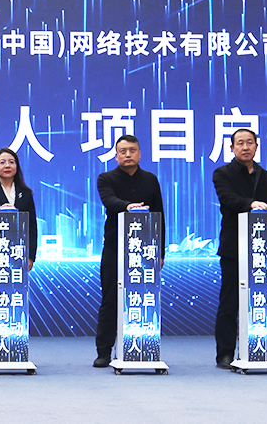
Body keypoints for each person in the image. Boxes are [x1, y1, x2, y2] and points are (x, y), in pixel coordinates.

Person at [93, 135, 164, 368]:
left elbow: (159, 214)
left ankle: (142, 346)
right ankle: (104, 351)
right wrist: (127, 206)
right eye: (122, 151)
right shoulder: (106, 178)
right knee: (110, 298)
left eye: (132, 150)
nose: (128, 154)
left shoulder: (150, 180)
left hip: (146, 250)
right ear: (116, 156)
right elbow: (109, 201)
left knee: (144, 297)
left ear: (140, 153)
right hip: (115, 247)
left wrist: (161, 251)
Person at [211, 129, 267, 370]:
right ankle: (225, 353)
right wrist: (251, 204)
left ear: (257, 146)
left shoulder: (266, 176)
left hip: (262, 249)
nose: (245, 147)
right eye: (240, 143)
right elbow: (228, 199)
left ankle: (261, 348)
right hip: (233, 245)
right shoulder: (222, 173)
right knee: (229, 302)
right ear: (232, 148)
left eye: (250, 142)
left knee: (261, 299)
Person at [0, 148, 38, 283]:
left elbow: (32, 225)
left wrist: (30, 256)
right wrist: (1, 209)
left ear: (17, 167)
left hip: (18, 251)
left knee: (16, 289)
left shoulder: (26, 193)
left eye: (11, 162)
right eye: (2, 162)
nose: (7, 165)